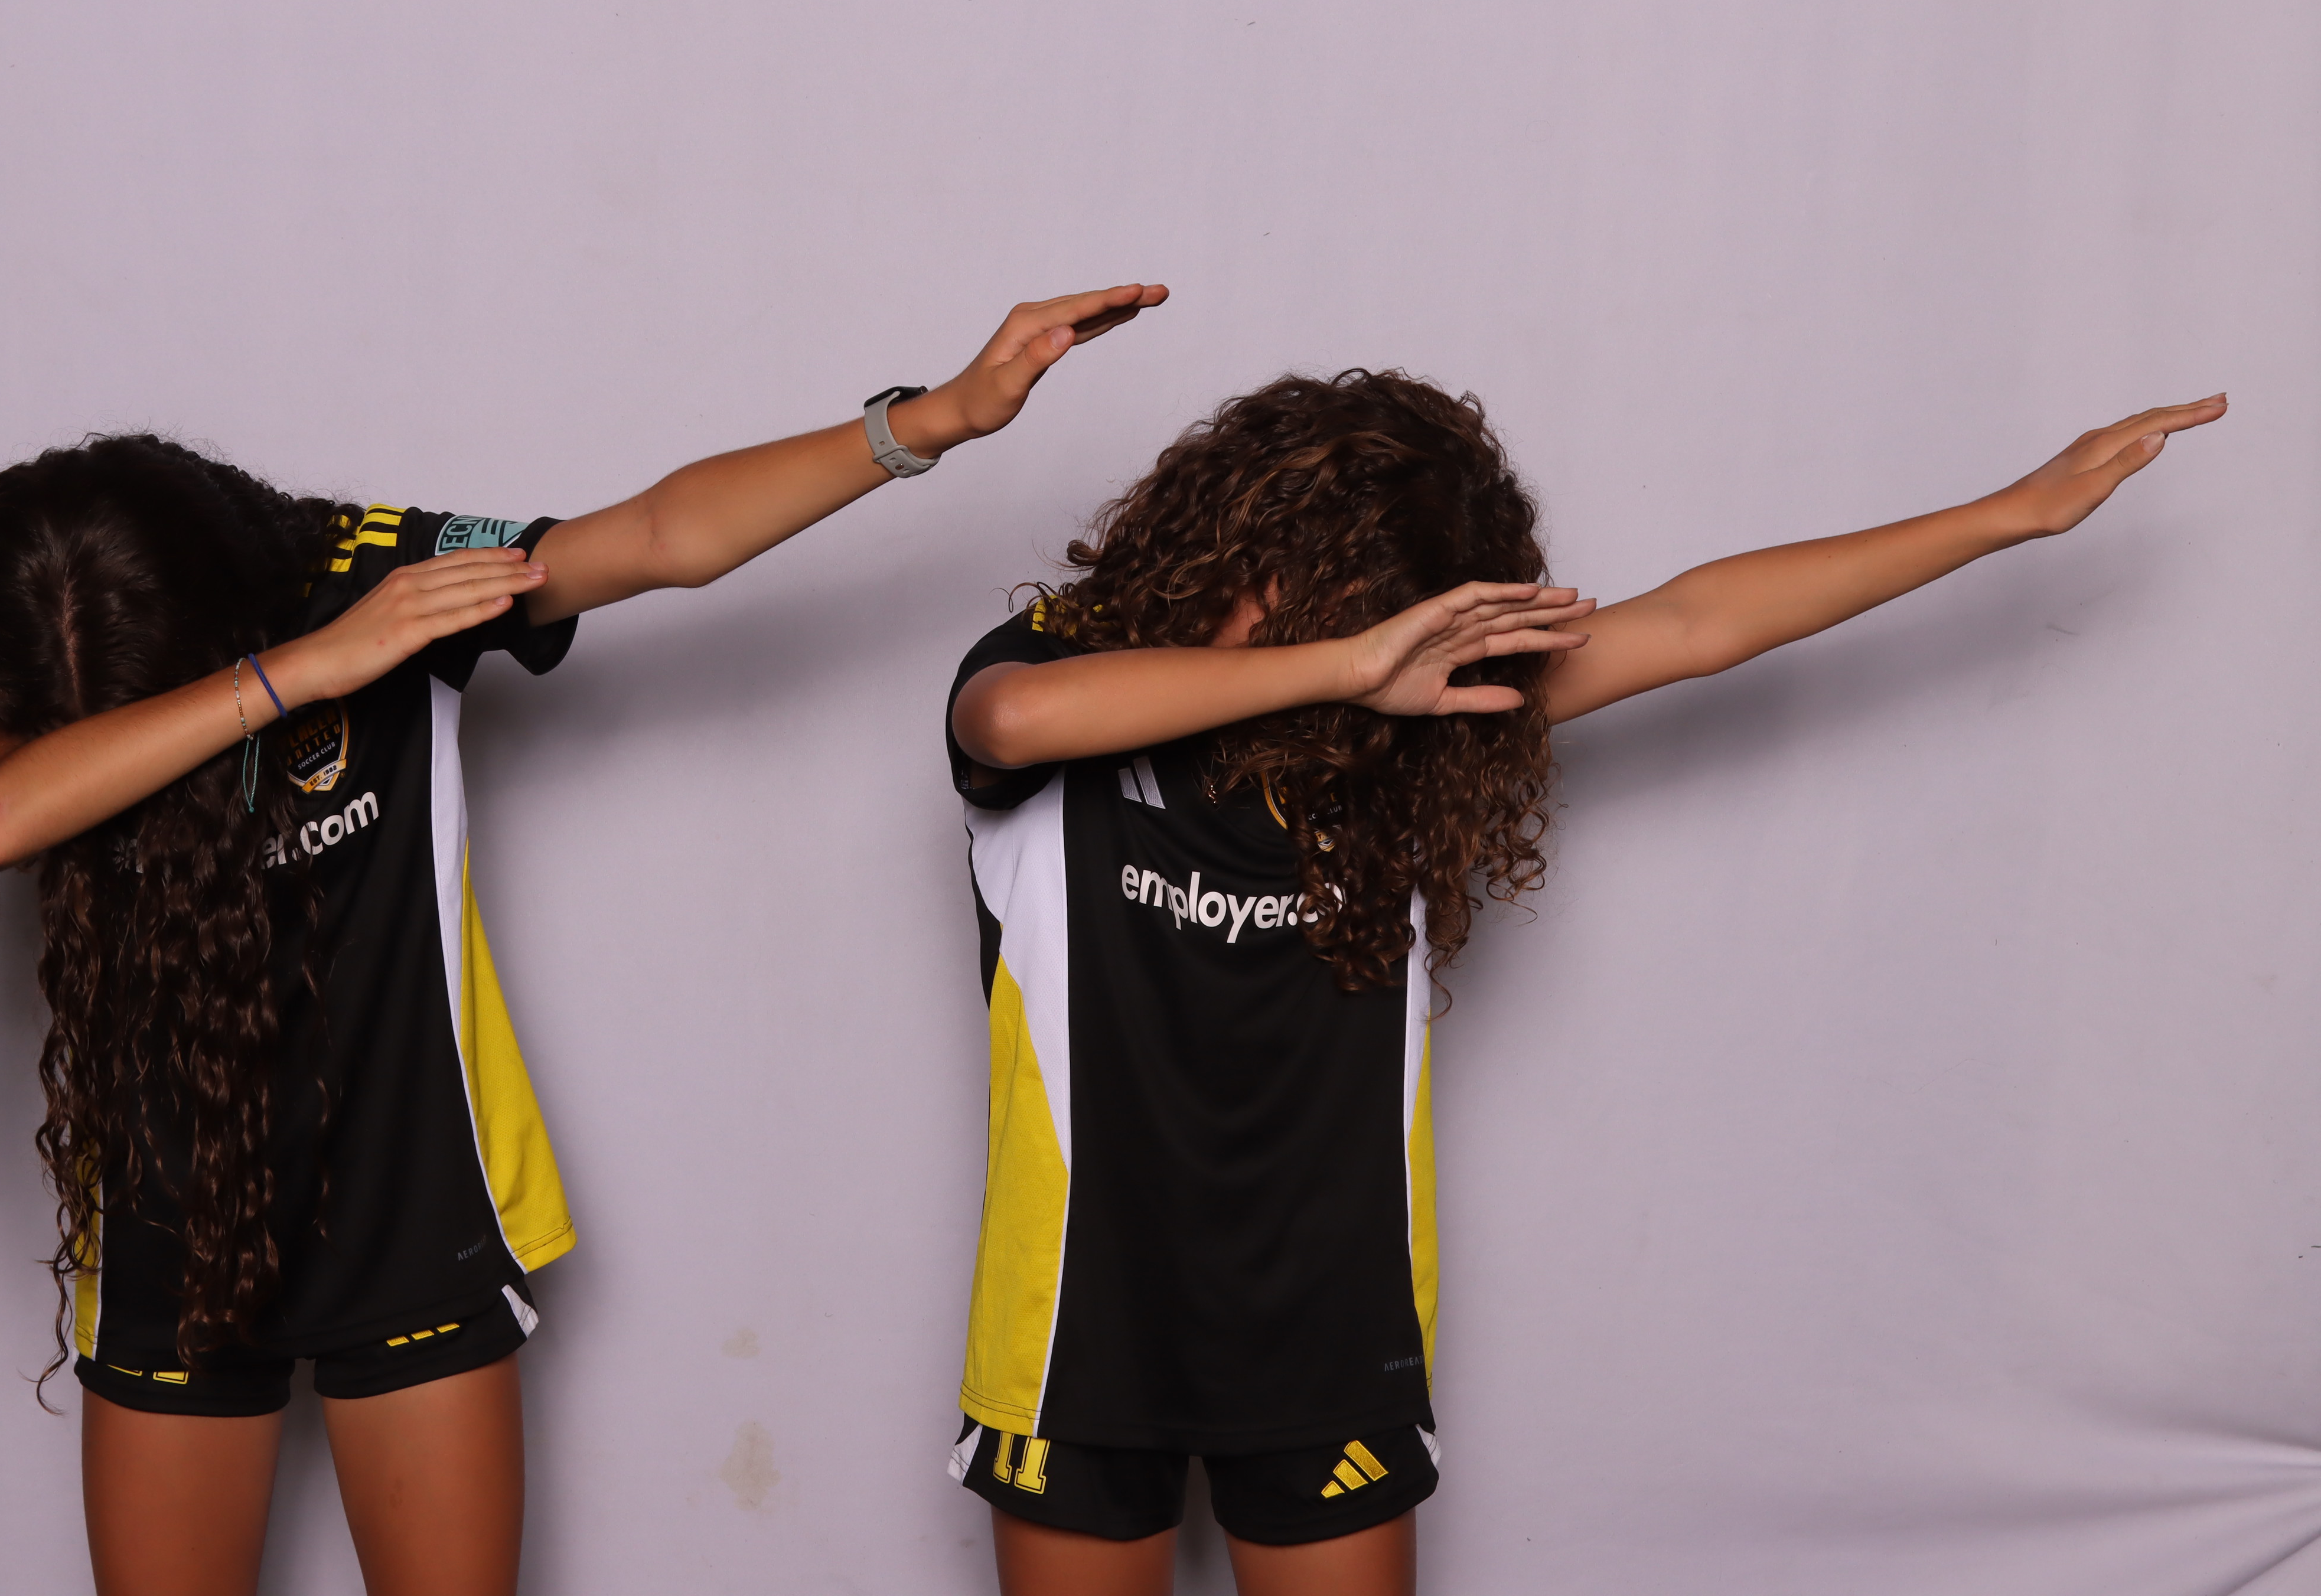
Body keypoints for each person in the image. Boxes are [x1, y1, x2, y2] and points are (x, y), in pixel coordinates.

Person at [0, 283, 1167, 1596]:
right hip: (168, 1216)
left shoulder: (371, 574)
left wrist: (933, 418)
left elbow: (659, 536)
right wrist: (304, 675)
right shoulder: (81, 658)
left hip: (410, 1201)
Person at [941, 368, 2224, 1596]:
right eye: (1308, 597)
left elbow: (1696, 624)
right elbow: (1006, 722)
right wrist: (1352, 664)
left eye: (1356, 614)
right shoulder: (1064, 667)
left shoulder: (1414, 723)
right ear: (1231, 535)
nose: (1318, 632)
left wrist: (2010, 513)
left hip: (1328, 1315)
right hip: (1075, 1317)